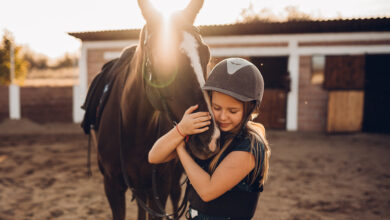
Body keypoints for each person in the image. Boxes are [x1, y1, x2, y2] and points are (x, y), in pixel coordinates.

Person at [148, 58, 271, 220]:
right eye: (216, 107)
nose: (222, 116)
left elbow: (207, 191)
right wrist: (180, 130)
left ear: (250, 109)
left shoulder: (251, 146)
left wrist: (180, 148)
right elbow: (154, 156)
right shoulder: (210, 134)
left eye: (233, 111)